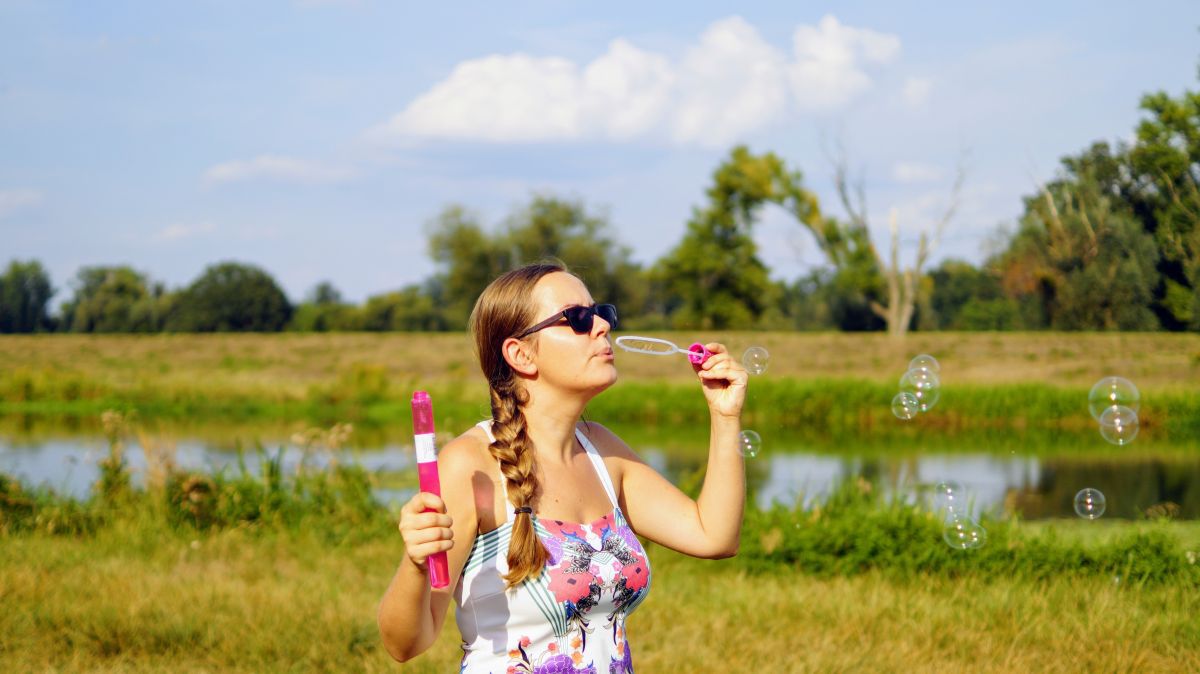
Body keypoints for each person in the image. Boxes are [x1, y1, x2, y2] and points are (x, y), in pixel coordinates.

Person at [378, 262, 747, 672]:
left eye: (601, 312)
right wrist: (415, 563)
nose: (602, 327)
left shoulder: (602, 451)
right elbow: (405, 643)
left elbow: (714, 536)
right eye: (577, 318)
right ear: (520, 354)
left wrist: (724, 416)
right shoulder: (472, 465)